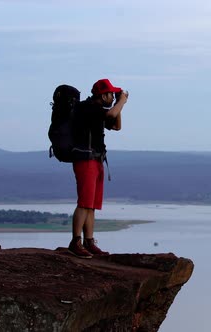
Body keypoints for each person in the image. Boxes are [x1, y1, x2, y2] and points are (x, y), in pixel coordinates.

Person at [67, 78, 129, 258]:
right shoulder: (88, 108)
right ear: (103, 95)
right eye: (111, 94)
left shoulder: (98, 111)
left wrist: (119, 104)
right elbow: (110, 116)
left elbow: (116, 126)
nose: (113, 96)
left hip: (96, 159)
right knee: (84, 202)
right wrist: (122, 102)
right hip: (85, 159)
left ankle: (89, 241)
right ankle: (75, 241)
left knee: (92, 205)